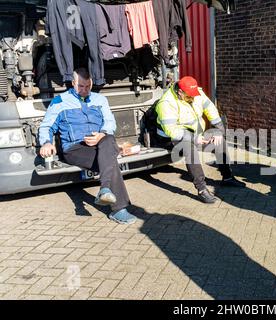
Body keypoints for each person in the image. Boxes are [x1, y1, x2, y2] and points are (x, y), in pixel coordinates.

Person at [38, 68, 137, 224]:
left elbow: (110, 122)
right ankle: (119, 209)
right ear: (73, 83)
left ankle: (104, 189)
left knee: (109, 138)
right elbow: (46, 127)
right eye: (80, 86)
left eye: (88, 86)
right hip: (74, 148)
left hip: (99, 144)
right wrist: (47, 142)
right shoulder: (59, 102)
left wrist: (101, 134)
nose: (84, 90)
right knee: (110, 160)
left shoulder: (100, 99)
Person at [155, 76, 245, 204]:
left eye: (194, 95)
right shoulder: (166, 103)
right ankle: (202, 189)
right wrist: (195, 138)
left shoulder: (196, 93)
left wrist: (219, 131)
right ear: (180, 92)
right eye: (189, 96)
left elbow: (211, 110)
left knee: (218, 142)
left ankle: (228, 178)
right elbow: (172, 131)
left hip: (194, 134)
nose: (193, 98)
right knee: (189, 148)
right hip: (170, 139)